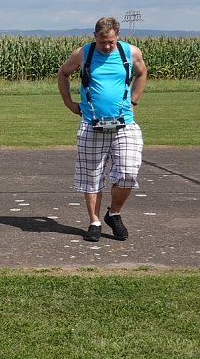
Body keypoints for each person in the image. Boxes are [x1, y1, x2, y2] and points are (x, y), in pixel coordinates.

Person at [57, 16, 147, 242]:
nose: (106, 46)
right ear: (95, 36)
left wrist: (134, 101)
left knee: (128, 172)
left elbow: (142, 73)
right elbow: (63, 73)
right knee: (92, 176)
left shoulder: (131, 53)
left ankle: (113, 213)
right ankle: (94, 221)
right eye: (102, 42)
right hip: (91, 124)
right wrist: (69, 103)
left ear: (118, 36)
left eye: (111, 42)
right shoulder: (83, 53)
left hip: (124, 123)